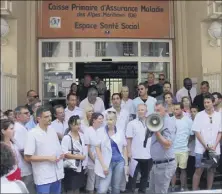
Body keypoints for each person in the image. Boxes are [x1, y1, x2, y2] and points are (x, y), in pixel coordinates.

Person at [24, 106, 64, 194]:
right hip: (43, 176)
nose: (50, 118)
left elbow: (57, 149)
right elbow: (27, 157)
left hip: (57, 173)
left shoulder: (52, 130)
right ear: (38, 119)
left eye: (50, 116)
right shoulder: (32, 134)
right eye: (46, 117)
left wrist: (61, 155)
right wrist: (48, 158)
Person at [192, 94, 222, 190]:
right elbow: (196, 131)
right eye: (205, 102)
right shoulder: (199, 115)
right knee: (198, 170)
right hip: (201, 148)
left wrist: (215, 145)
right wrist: (205, 145)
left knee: (211, 170)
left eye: (208, 102)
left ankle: (209, 190)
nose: (206, 104)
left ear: (213, 103)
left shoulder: (219, 115)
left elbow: (220, 132)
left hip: (214, 148)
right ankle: (194, 191)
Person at [94, 112, 128, 194]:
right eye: (107, 119)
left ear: (115, 120)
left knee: (116, 187)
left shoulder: (120, 131)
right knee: (103, 189)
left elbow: (124, 147)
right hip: (106, 163)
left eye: (111, 119)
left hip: (119, 162)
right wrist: (103, 165)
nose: (109, 121)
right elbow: (97, 148)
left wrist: (126, 164)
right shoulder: (100, 131)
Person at [149, 101, 177, 193]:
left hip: (165, 165)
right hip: (156, 164)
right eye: (155, 110)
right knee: (152, 191)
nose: (156, 113)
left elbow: (167, 144)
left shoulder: (168, 122)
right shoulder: (157, 121)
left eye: (158, 110)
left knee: (160, 191)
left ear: (165, 110)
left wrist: (156, 131)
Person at [0, 119, 35, 192]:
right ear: (3, 131)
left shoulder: (13, 141)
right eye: (11, 129)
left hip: (17, 171)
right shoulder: (2, 146)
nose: (14, 131)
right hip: (7, 175)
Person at [126, 104, 153, 193]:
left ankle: (142, 192)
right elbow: (128, 139)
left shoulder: (151, 123)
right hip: (135, 155)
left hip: (148, 155)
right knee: (132, 178)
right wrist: (129, 152)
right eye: (139, 110)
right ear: (137, 111)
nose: (141, 111)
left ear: (146, 111)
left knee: (145, 177)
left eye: (143, 110)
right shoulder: (131, 123)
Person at [61, 115, 87, 194]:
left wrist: (83, 160)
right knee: (70, 189)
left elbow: (84, 150)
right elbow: (64, 153)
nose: (78, 126)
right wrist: (78, 156)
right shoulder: (66, 138)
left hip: (80, 166)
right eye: (76, 124)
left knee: (77, 188)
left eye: (79, 124)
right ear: (71, 125)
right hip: (70, 167)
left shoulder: (82, 136)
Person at [171, 103, 193, 191]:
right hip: (172, 150)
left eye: (177, 109)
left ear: (182, 109)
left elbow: (192, 135)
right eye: (174, 109)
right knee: (173, 170)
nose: (175, 111)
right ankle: (172, 187)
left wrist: (187, 143)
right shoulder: (170, 120)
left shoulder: (188, 120)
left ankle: (183, 187)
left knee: (183, 169)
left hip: (183, 149)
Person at [84, 113, 104, 194]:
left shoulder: (102, 130)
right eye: (99, 118)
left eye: (102, 119)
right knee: (91, 178)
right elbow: (87, 147)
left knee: (99, 179)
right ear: (94, 120)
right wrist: (93, 159)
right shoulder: (88, 130)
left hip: (101, 159)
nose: (101, 120)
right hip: (91, 158)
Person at [187, 105, 199, 180]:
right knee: (190, 168)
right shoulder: (188, 122)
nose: (192, 113)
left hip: (199, 149)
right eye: (191, 112)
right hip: (190, 149)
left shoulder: (201, 121)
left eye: (194, 111)